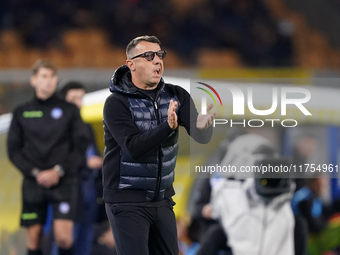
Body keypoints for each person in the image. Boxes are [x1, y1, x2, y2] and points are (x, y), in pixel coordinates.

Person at [102, 35, 215, 255]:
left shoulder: (177, 95)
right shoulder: (116, 103)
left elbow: (200, 136)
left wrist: (203, 126)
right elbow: (133, 147)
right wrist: (167, 127)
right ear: (131, 64)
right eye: (149, 56)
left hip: (162, 200)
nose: (157, 60)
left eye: (160, 55)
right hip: (127, 201)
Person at [7, 60, 89, 255]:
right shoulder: (22, 111)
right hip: (33, 183)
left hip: (64, 181)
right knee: (34, 238)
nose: (49, 81)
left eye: (52, 76)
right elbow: (13, 150)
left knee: (63, 237)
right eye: (44, 76)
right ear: (33, 80)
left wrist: (58, 171)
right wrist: (36, 173)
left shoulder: (70, 111)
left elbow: (80, 146)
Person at [60, 81, 104, 255]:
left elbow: (95, 152)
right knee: (66, 238)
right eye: (73, 98)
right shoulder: (59, 128)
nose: (78, 102)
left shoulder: (86, 126)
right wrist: (86, 163)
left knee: (85, 237)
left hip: (90, 188)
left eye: (80, 98)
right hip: (69, 189)